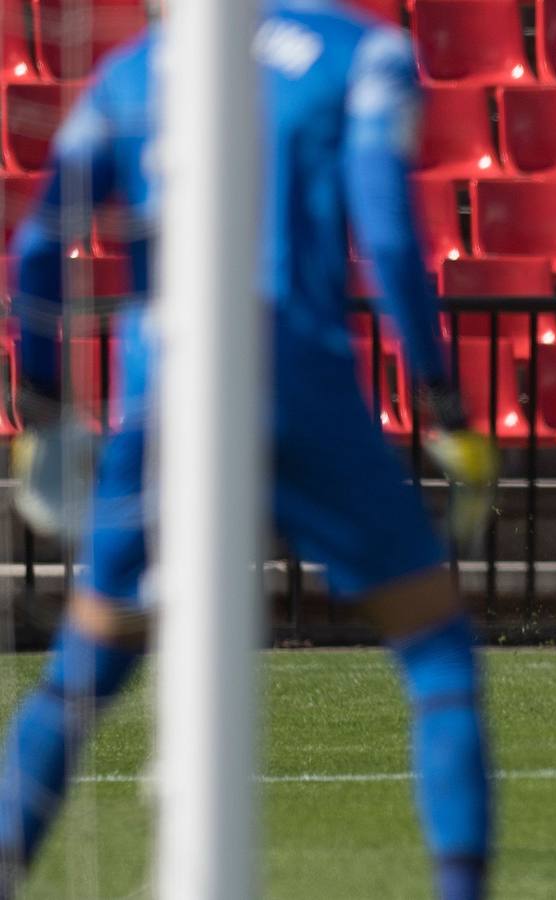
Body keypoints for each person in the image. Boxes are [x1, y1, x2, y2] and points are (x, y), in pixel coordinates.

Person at [0, 2, 493, 896]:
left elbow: (38, 248)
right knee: (434, 651)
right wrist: (441, 397)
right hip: (296, 372)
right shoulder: (363, 55)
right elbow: (385, 232)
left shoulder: (134, 71)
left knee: (86, 666)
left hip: (162, 395)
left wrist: (42, 405)